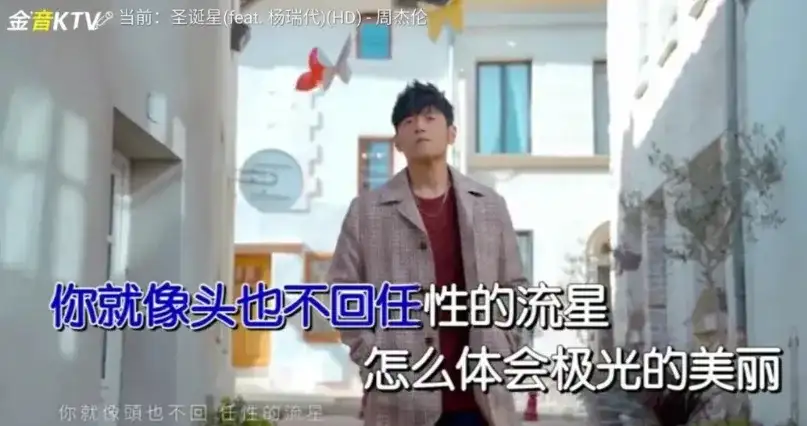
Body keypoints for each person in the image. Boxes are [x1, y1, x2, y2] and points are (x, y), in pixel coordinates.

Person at [327, 81, 528, 426]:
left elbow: (514, 287)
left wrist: (505, 343)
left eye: (430, 117)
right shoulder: (366, 212)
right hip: (399, 401)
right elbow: (342, 292)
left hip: (481, 400)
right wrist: (373, 356)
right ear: (397, 141)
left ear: (452, 133)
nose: (419, 126)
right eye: (408, 121)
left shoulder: (489, 206)